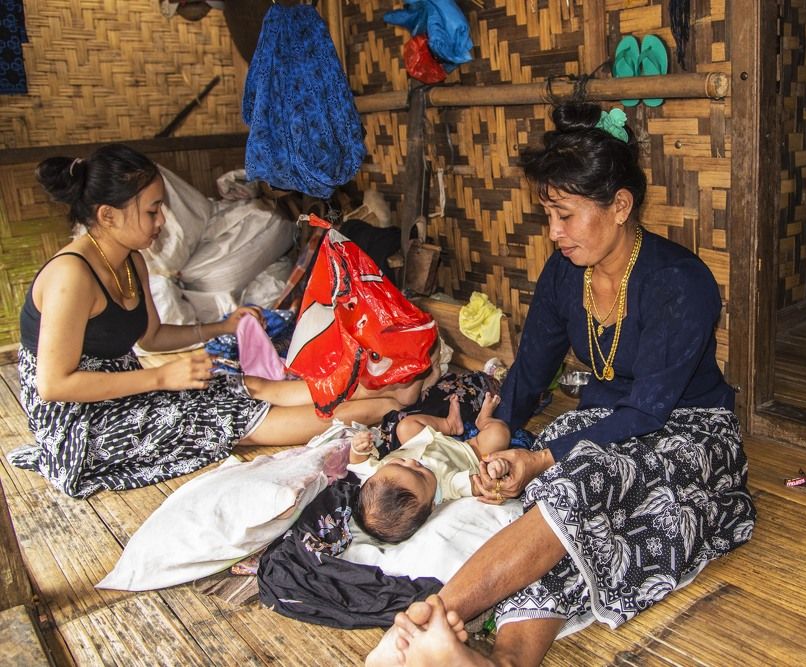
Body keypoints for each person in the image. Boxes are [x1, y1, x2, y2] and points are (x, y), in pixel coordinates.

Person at [367, 103, 756, 666]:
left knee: (575, 485)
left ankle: (426, 622)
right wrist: (494, 435)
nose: (554, 232)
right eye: (548, 214)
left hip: (690, 431)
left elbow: (647, 413)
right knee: (566, 530)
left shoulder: (680, 283)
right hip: (605, 421)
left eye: (566, 215)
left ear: (620, 206)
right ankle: (501, 660)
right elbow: (530, 370)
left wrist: (541, 458)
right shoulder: (563, 273)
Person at [6, 144, 421, 499]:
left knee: (231, 383)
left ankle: (372, 391)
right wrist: (160, 379)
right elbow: (54, 385)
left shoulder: (130, 259)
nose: (162, 221)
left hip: (118, 393)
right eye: (152, 211)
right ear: (108, 215)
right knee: (210, 416)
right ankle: (373, 410)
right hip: (79, 424)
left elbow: (150, 337)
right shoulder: (71, 276)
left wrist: (222, 327)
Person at [349, 392, 511, 543]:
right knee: (499, 434)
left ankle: (449, 425)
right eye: (420, 474)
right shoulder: (448, 486)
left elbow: (359, 464)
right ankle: (484, 420)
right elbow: (480, 484)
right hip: (467, 451)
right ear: (432, 503)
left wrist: (358, 448)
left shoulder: (378, 475)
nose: (412, 462)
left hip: (424, 441)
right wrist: (494, 471)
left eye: (399, 462)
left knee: (405, 426)